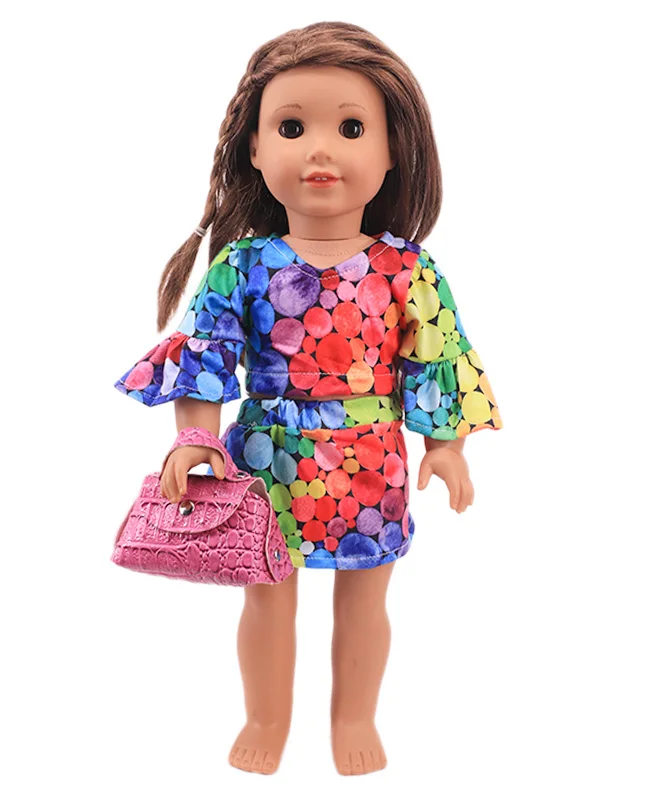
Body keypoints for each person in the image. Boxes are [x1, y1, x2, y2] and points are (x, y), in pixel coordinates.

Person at [114, 21, 502, 776]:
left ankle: (354, 717)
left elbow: (435, 359)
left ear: (392, 151)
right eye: (291, 128)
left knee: (365, 601)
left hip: (372, 462)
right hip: (267, 460)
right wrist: (194, 438)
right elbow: (207, 357)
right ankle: (266, 716)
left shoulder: (407, 271)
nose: (320, 151)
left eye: (351, 128)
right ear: (255, 149)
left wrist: (446, 446)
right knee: (266, 596)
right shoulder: (242, 266)